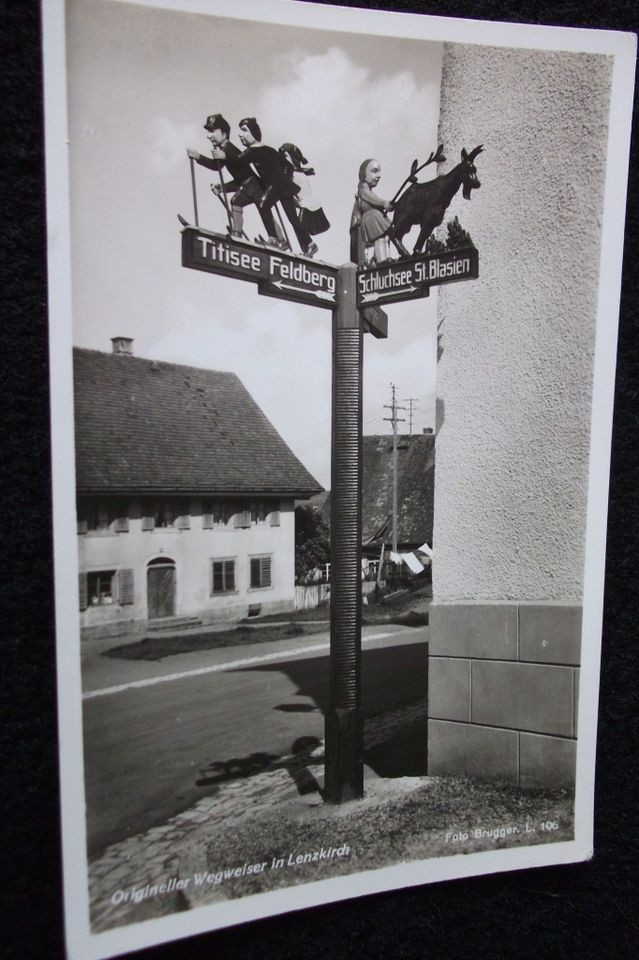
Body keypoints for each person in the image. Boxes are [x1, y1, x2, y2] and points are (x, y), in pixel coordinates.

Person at [187, 113, 281, 244]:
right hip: (247, 184)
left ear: (224, 134)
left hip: (253, 184)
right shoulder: (223, 149)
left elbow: (240, 162)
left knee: (256, 207)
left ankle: (274, 239)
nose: (209, 136)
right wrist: (199, 158)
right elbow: (217, 167)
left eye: (213, 131)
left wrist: (224, 156)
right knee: (251, 206)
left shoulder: (228, 149)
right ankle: (243, 235)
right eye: (209, 132)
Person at [238, 118, 317, 257]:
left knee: (263, 205)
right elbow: (289, 166)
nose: (240, 134)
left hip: (275, 186)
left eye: (244, 130)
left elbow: (237, 161)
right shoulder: (270, 149)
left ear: (254, 133)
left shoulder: (251, 151)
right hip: (284, 186)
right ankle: (310, 244)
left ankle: (274, 239)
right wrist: (284, 178)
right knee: (293, 218)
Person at [278, 142, 330, 239]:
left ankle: (308, 248)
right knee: (301, 227)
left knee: (299, 227)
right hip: (312, 203)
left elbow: (288, 187)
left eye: (285, 156)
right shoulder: (300, 173)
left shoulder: (293, 174)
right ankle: (307, 248)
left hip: (307, 205)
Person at [350, 158, 393, 266]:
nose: (378, 175)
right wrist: (383, 203)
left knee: (385, 236)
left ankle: (378, 258)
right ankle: (382, 259)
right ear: (364, 174)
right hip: (369, 220)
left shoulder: (369, 190)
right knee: (380, 234)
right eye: (374, 171)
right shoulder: (363, 188)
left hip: (373, 219)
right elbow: (371, 199)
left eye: (378, 171)